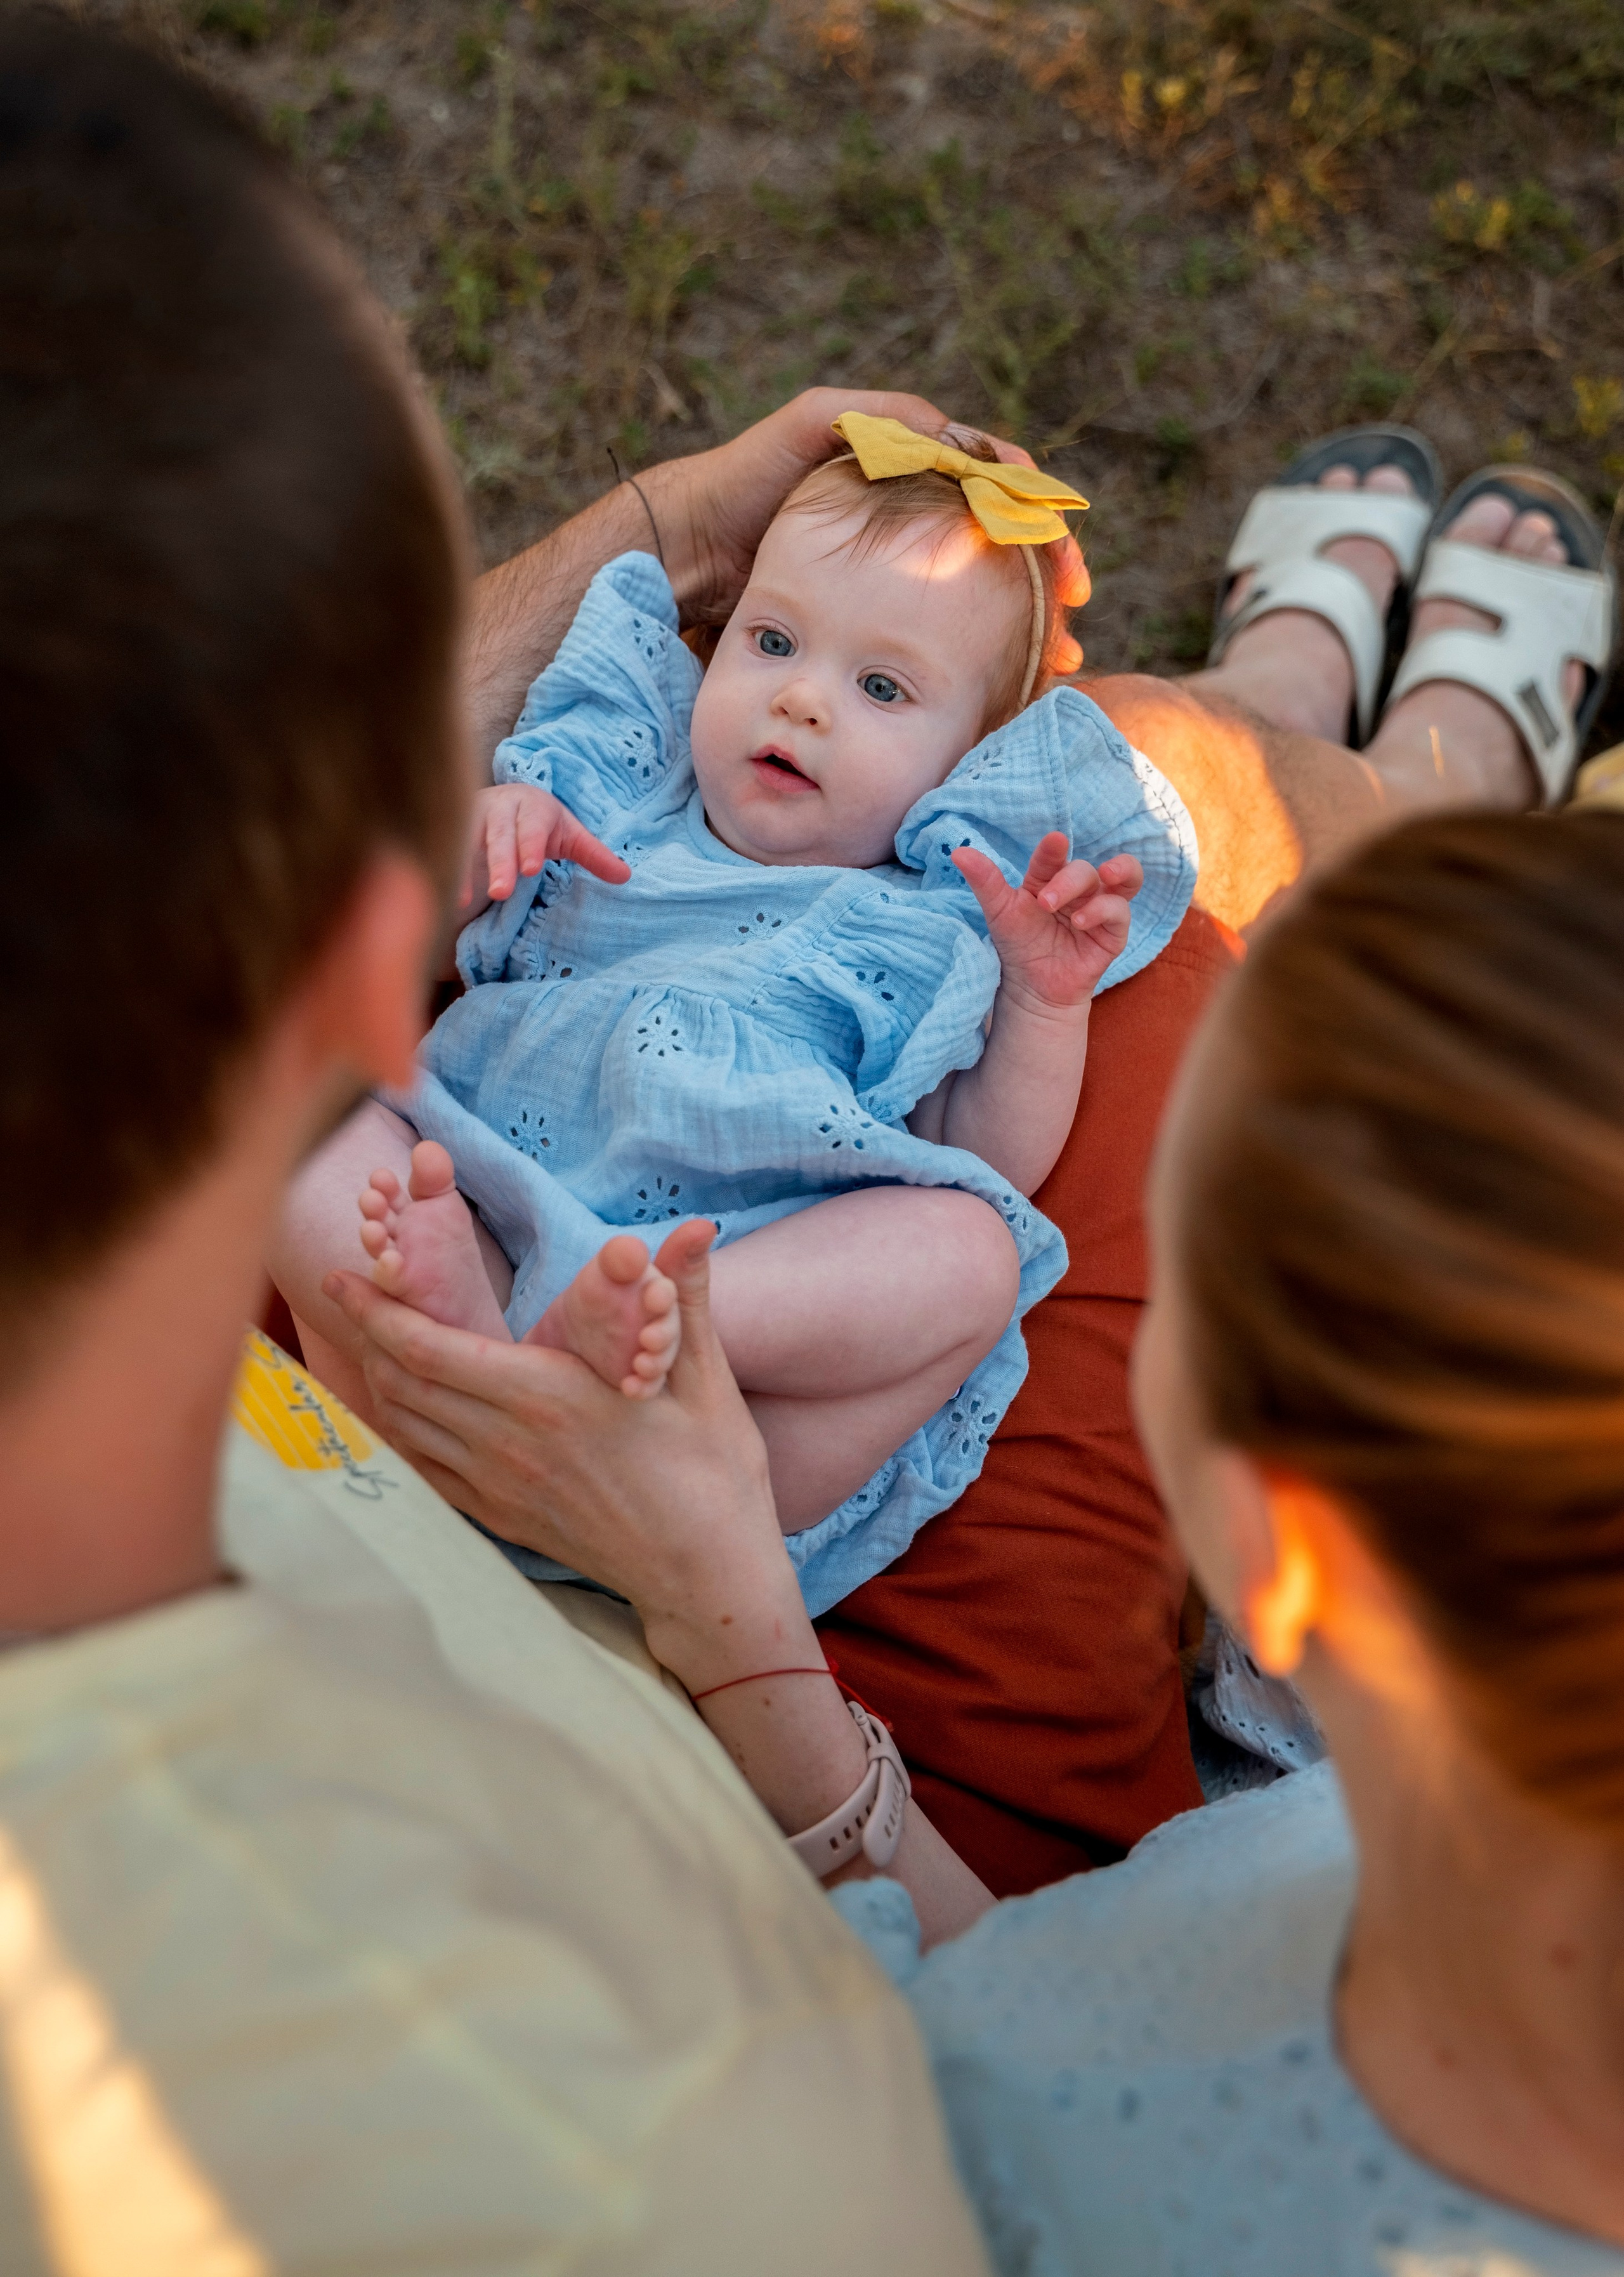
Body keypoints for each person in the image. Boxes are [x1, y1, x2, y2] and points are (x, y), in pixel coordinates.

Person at [0, 16, 995, 2267]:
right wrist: (741, 1626)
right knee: (1210, 834)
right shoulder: (681, 2176)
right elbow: (1030, 2085)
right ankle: (1395, 715)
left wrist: (673, 528)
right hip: (805, 1783)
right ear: (384, 977)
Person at [333, 801, 1624, 2270]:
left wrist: (716, 1601)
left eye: (1175, 1291)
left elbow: (967, 2018)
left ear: (1282, 1557)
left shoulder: (1024, 2169)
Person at [274, 416, 1200, 1606]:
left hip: (703, 1369)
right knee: (301, 1117)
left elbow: (982, 1151)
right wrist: (491, 836)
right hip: (483, 1213)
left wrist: (1042, 1000)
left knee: (968, 1254)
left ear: (964, 765)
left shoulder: (924, 920)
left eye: (880, 687)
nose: (802, 701)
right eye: (770, 641)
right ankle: (478, 1357)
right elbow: (427, 934)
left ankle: (573, 1343)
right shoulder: (611, 798)